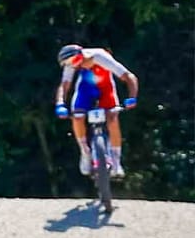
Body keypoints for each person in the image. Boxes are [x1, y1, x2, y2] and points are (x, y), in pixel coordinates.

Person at [54, 44, 139, 178]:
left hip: (106, 89)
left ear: (82, 55)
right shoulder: (72, 64)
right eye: (68, 64)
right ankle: (85, 152)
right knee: (77, 116)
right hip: (85, 90)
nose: (73, 66)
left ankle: (116, 160)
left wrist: (132, 97)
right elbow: (64, 86)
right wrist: (60, 103)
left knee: (112, 118)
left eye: (74, 61)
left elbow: (129, 76)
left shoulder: (100, 56)